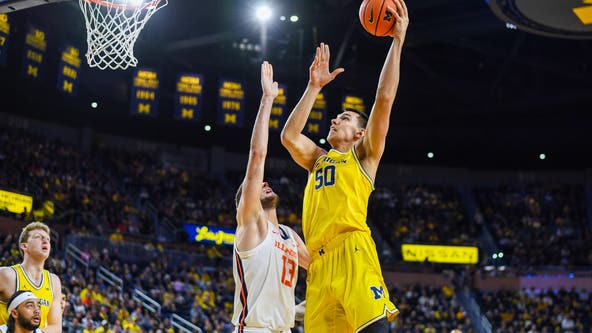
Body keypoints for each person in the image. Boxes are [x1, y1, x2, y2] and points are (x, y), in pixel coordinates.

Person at [280, 1, 409, 332]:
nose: (336, 118)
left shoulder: (364, 155)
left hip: (352, 250)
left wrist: (397, 42)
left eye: (346, 118)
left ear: (360, 133)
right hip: (320, 267)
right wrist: (313, 87)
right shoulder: (317, 159)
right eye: (338, 116)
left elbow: (384, 99)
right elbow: (289, 136)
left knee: (375, 328)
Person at [231, 61, 310, 333]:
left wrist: (301, 307)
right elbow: (257, 157)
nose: (263, 182)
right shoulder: (252, 224)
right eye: (253, 186)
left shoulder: (289, 235)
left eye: (264, 183)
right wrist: (267, 100)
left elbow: (320, 267)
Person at [0, 222, 62, 333]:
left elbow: (56, 327)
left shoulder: (54, 281)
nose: (45, 240)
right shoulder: (7, 275)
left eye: (48, 239)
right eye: (38, 237)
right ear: (24, 246)